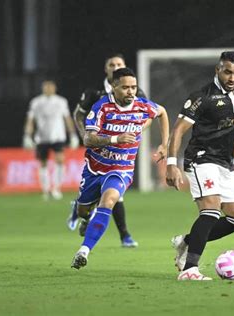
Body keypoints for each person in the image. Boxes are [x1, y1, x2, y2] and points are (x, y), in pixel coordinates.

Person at [70, 67, 169, 269]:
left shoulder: (142, 106)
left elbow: (162, 112)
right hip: (95, 168)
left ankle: (84, 251)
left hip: (121, 168)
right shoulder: (101, 107)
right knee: (83, 210)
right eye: (125, 88)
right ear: (114, 87)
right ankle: (85, 217)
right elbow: (88, 139)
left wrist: (164, 144)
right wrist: (116, 138)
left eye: (133, 87)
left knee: (109, 201)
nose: (131, 91)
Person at [166, 51, 234, 281]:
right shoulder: (202, 97)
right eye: (227, 72)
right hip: (201, 159)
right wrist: (171, 164)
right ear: (218, 70)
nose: (232, 77)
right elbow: (178, 130)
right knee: (211, 210)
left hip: (225, 163)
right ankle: (189, 269)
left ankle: (187, 242)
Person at [68, 53, 148, 248]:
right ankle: (82, 211)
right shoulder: (94, 93)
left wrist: (133, 130)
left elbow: (147, 116)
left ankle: (125, 235)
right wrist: (85, 135)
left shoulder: (135, 92)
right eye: (111, 64)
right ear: (106, 69)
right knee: (95, 198)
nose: (115, 66)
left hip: (121, 150)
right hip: (97, 147)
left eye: (119, 63)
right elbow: (78, 114)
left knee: (114, 194)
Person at [23, 80, 79, 200]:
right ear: (43, 88)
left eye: (50, 87)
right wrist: (27, 135)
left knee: (60, 160)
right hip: (42, 137)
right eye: (46, 87)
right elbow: (30, 120)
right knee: (43, 163)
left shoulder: (61, 101)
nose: (48, 89)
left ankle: (56, 188)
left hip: (58, 136)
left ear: (55, 88)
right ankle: (46, 189)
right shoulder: (36, 102)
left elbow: (67, 118)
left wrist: (73, 134)